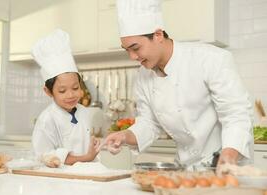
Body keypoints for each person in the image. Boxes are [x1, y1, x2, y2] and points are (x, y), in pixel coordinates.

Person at [103, 0, 254, 169]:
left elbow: (236, 114)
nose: (132, 57)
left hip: (227, 163)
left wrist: (229, 155)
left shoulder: (211, 59)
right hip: (185, 169)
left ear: (158, 35)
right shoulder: (143, 75)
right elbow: (149, 123)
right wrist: (124, 136)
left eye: (136, 48)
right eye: (127, 50)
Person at [31, 29, 100, 167]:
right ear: (48, 92)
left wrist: (95, 144)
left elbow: (83, 143)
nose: (71, 95)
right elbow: (46, 156)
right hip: (60, 179)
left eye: (75, 88)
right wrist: (86, 157)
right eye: (62, 91)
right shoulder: (47, 119)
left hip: (86, 173)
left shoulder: (83, 111)